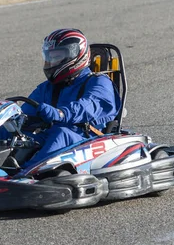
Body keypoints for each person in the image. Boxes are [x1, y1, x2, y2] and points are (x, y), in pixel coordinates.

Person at [17, 28, 121, 168]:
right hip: (49, 134)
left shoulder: (99, 82)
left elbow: (89, 106)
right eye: (49, 57)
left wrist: (61, 113)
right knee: (8, 132)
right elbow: (26, 111)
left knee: (61, 134)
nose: (52, 62)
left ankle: (25, 174)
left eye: (56, 57)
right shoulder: (47, 87)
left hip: (86, 138)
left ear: (75, 55)